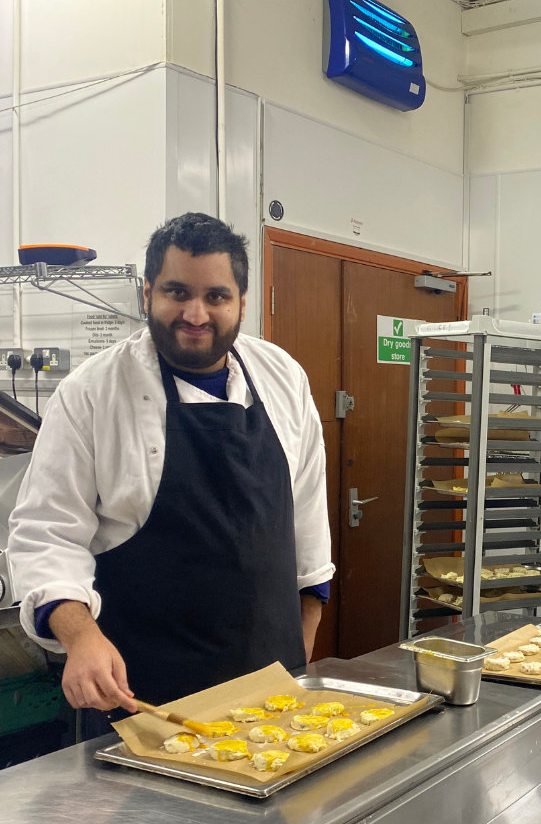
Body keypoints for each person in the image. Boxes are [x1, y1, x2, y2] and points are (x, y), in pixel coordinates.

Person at [8, 213, 334, 735]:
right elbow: (46, 534)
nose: (195, 313)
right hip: (139, 697)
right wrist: (80, 638)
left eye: (217, 297)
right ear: (146, 294)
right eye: (176, 291)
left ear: (242, 302)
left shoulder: (282, 377)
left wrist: (303, 636)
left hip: (268, 685)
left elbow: (309, 517)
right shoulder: (92, 392)